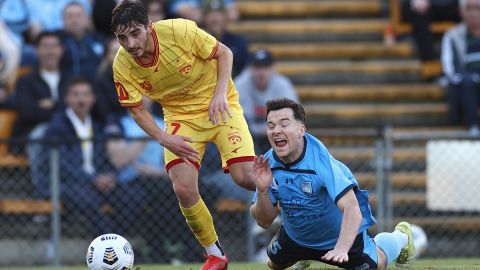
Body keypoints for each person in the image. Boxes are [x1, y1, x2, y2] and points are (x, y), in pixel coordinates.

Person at [110, 1, 256, 269]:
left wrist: (221, 93)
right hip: (181, 118)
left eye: (134, 34)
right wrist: (163, 137)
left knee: (245, 178)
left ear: (149, 26)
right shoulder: (122, 65)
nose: (129, 43)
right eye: (122, 37)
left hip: (219, 106)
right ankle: (215, 254)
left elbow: (224, 53)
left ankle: (290, 192)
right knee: (183, 188)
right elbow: (137, 110)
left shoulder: (179, 31)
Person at [250, 98, 416, 270]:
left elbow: (352, 210)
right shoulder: (268, 164)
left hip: (338, 239)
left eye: (284, 124)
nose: (276, 130)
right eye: (271, 126)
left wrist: (341, 249)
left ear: (301, 130)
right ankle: (303, 254)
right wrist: (262, 190)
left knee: (378, 264)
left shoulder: (321, 163)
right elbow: (264, 221)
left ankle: (401, 237)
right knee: (274, 265)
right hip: (296, 238)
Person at [46, 77, 145, 235]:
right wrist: (92, 179)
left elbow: (106, 159)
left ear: (93, 98)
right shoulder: (57, 127)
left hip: (97, 181)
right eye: (76, 94)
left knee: (134, 197)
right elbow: (61, 164)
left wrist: (110, 176)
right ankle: (108, 244)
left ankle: (116, 239)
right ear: (67, 99)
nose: (81, 99)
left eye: (86, 94)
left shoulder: (98, 126)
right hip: (69, 183)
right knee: (88, 199)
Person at [10, 31, 69, 157]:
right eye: (45, 46)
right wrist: (60, 107)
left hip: (67, 130)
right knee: (45, 135)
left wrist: (51, 105)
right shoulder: (25, 81)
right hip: (34, 132)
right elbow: (27, 113)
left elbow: (76, 108)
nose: (50, 51)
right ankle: (42, 177)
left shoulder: (71, 79)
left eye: (54, 46)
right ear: (37, 50)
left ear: (61, 50)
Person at [236, 49, 298, 154]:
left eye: (265, 67)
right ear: (249, 68)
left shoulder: (282, 85)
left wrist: (270, 130)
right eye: (257, 67)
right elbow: (239, 120)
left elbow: (293, 116)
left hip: (277, 134)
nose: (261, 73)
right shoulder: (240, 84)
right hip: (247, 136)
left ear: (272, 69)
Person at [441, 0, 480, 135]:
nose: (473, 13)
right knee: (468, 83)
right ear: (461, 12)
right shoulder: (453, 35)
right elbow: (449, 70)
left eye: (477, 8)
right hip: (466, 83)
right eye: (469, 8)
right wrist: (469, 78)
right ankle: (473, 127)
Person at [401, 0, 460, 77]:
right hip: (425, 7)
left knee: (472, 11)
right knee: (415, 13)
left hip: (454, 5)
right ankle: (430, 67)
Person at [201, 0, 249, 78]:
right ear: (204, 18)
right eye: (210, 14)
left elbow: (246, 70)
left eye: (219, 14)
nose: (215, 19)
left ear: (225, 17)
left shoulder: (238, 42)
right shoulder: (197, 42)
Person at [59, 2, 105, 80]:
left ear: (87, 19)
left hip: (95, 88)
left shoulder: (99, 40)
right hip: (65, 88)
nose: (74, 20)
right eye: (69, 16)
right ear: (63, 20)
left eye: (78, 16)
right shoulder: (57, 41)